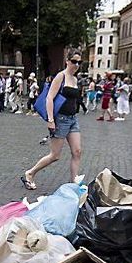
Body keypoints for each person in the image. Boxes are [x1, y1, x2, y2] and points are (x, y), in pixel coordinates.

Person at [21, 47, 85, 190]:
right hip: (60, 119)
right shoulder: (61, 76)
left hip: (73, 119)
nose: (77, 65)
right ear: (67, 61)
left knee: (77, 151)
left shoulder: (75, 79)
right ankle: (30, 173)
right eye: (74, 61)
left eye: (79, 62)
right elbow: (49, 97)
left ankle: (74, 182)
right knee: (55, 155)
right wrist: (50, 120)